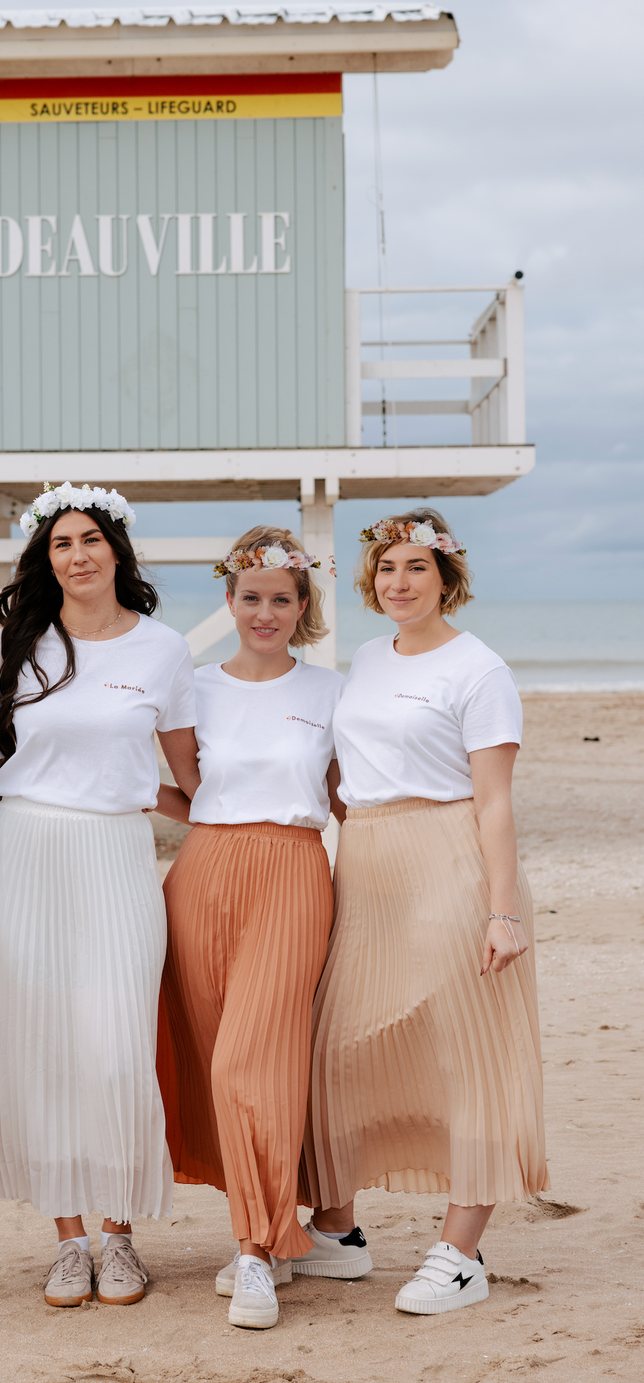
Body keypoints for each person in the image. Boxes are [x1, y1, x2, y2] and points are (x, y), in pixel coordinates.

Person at [301, 509, 548, 1315]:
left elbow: (496, 802)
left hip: (449, 857)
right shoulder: (368, 656)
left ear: (447, 577)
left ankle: (460, 1250)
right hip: (365, 860)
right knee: (340, 1041)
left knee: (465, 1051)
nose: (399, 582)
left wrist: (502, 911)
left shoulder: (480, 669)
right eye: (386, 569)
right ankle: (336, 1230)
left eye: (416, 567)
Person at [0, 483, 199, 1308]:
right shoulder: (15, 641)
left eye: (90, 539)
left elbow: (188, 776)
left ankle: (121, 1233)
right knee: (38, 1047)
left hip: (115, 849)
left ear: (117, 549)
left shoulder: (163, 649)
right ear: (46, 556)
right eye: (62, 543)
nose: (77, 555)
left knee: (116, 1046)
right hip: (25, 850)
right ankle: (69, 1239)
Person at [154, 526, 371, 1331]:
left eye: (283, 598)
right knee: (219, 1063)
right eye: (252, 597)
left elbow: (352, 798)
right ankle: (275, 1227)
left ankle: (255, 1250)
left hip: (291, 872)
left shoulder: (331, 691)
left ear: (304, 604)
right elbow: (185, 791)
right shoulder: (194, 687)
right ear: (229, 599)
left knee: (256, 1060)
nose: (265, 612)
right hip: (203, 876)